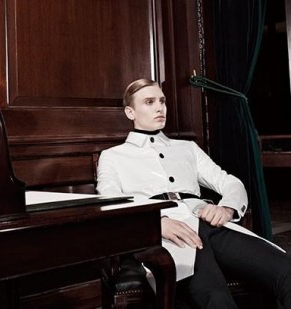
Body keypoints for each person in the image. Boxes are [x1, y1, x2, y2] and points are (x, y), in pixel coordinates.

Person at [96, 78, 291, 309]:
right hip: (169, 233)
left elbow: (230, 182)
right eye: (149, 102)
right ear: (130, 112)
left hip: (211, 223)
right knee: (215, 298)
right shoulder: (113, 156)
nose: (159, 108)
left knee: (286, 271)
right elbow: (111, 203)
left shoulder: (187, 148)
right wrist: (156, 224)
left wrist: (227, 208)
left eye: (162, 101)